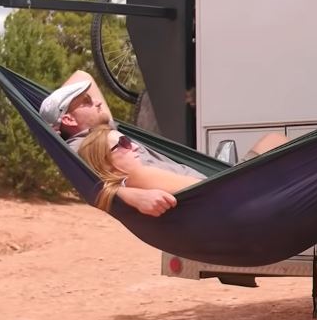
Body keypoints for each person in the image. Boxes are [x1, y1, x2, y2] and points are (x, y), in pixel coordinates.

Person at [39, 70, 288, 216]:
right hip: (217, 195)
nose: (97, 101)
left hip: (219, 186)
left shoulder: (100, 131)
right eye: (85, 102)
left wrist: (54, 119)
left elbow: (83, 75)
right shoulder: (84, 146)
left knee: (275, 141)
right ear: (69, 118)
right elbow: (92, 184)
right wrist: (130, 194)